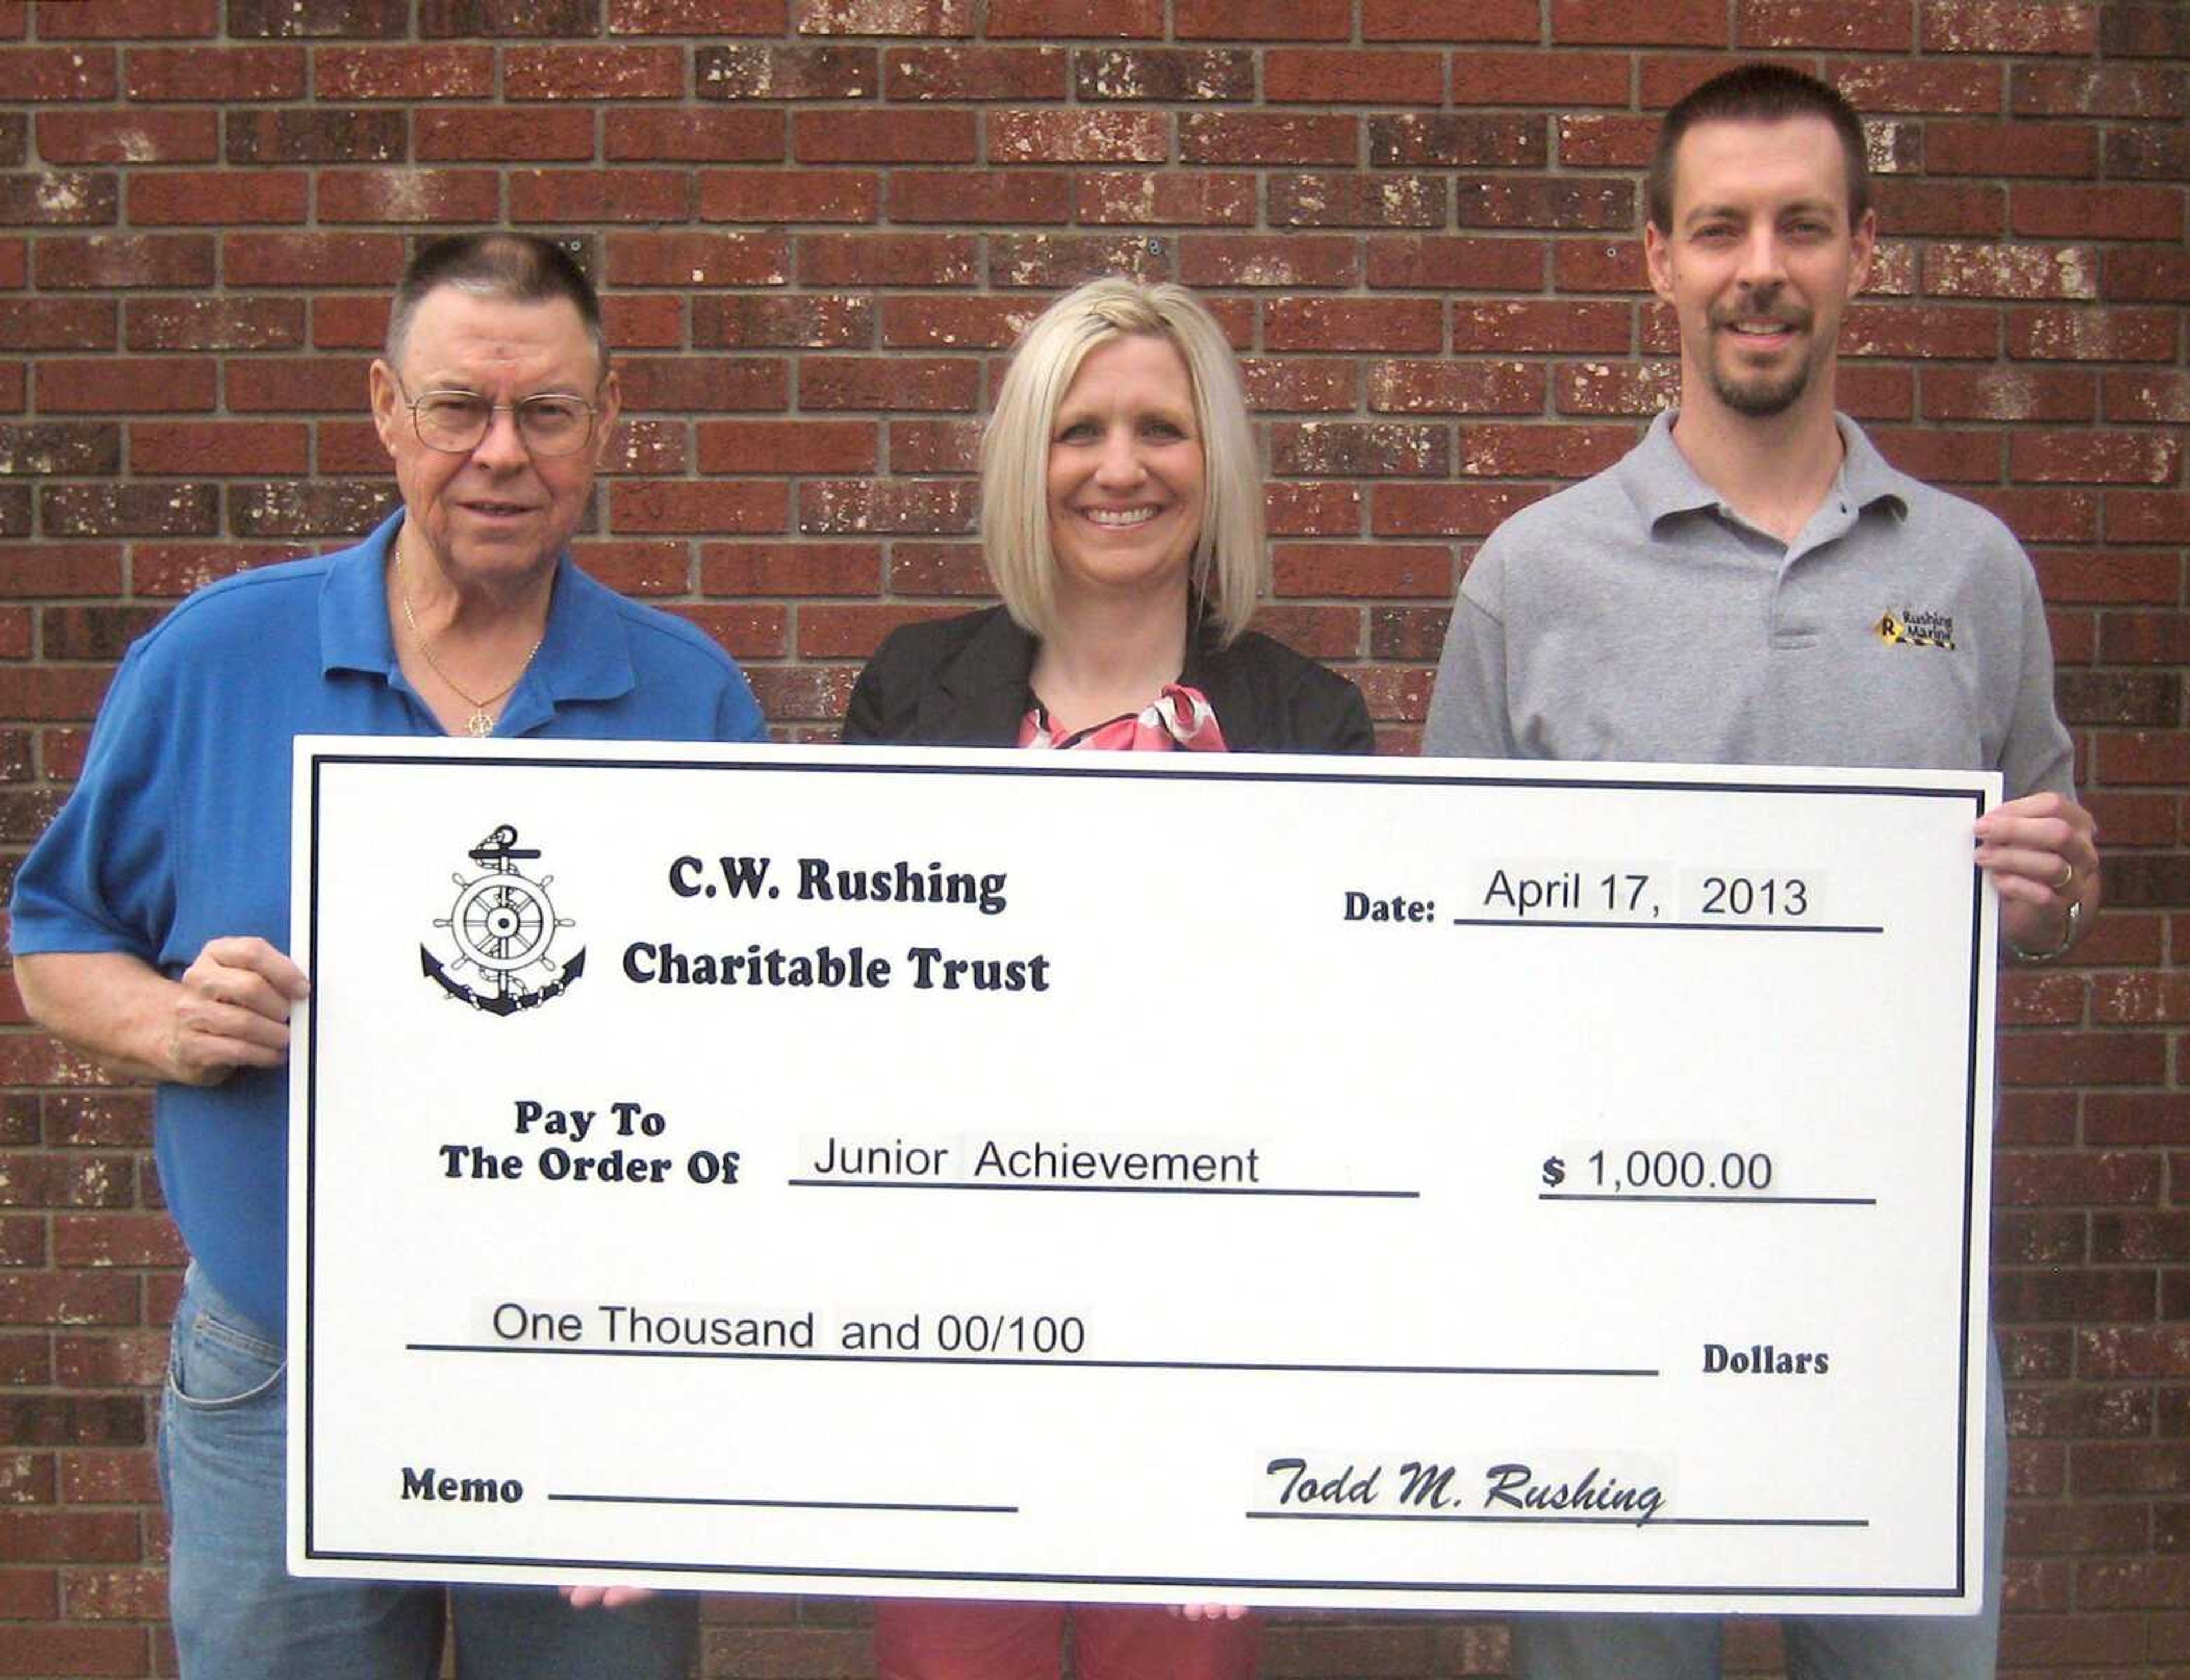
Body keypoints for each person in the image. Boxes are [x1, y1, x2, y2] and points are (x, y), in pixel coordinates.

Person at [9, 232, 765, 1678]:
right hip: (280, 1369)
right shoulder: (216, 658)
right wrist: (172, 1023)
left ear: (606, 425)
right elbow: (54, 939)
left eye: (546, 412)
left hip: (588, 1360)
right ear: (382, 409)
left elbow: (743, 1045)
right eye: (456, 409)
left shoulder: (687, 694)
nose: (500, 453)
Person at [1425, 64, 2097, 1679]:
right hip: (1600, 1307)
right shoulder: (1534, 574)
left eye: (1802, 224)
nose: (1760, 266)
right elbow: (1437, 945)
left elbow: (2060, 891)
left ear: (1865, 250)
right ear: (1655, 258)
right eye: (1718, 227)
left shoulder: (1972, 568)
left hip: (1888, 1304)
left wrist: (2052, 889)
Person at [845, 275, 1372, 1677]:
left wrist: (1253, 1427)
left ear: (1218, 463)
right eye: (1080, 431)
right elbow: (843, 1032)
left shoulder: (1309, 724)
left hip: (1199, 1358)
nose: (1122, 468)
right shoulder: (909, 699)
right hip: (950, 1350)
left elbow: (1338, 1068)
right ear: (1030, 460)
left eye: (1162, 429)